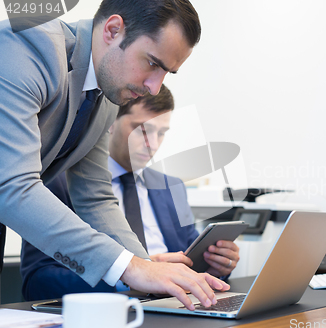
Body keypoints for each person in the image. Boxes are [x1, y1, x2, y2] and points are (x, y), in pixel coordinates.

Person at [0, 0, 228, 310]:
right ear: (113, 30)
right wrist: (129, 267)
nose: (154, 86)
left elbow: (94, 197)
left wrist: (147, 267)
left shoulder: (106, 91)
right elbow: (12, 186)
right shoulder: (24, 45)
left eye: (167, 73)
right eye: (152, 63)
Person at [21, 85, 240, 300]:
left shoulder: (171, 187)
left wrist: (215, 264)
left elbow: (190, 258)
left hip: (174, 306)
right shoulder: (58, 183)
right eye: (142, 130)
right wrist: (129, 272)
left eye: (161, 133)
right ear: (109, 123)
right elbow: (37, 282)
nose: (152, 144)